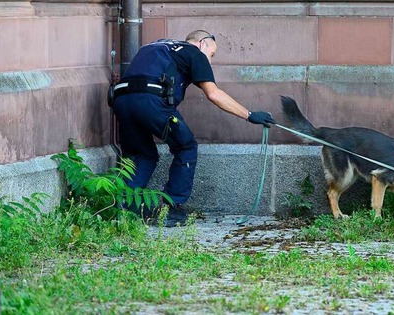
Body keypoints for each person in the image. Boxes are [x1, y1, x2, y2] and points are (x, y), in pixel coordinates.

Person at [112, 30, 276, 226]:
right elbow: (213, 94)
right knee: (186, 147)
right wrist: (249, 115)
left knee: (142, 155)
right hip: (152, 101)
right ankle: (170, 209)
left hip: (121, 100)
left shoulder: (154, 46)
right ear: (202, 43)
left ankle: (123, 210)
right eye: (212, 54)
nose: (210, 61)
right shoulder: (195, 53)